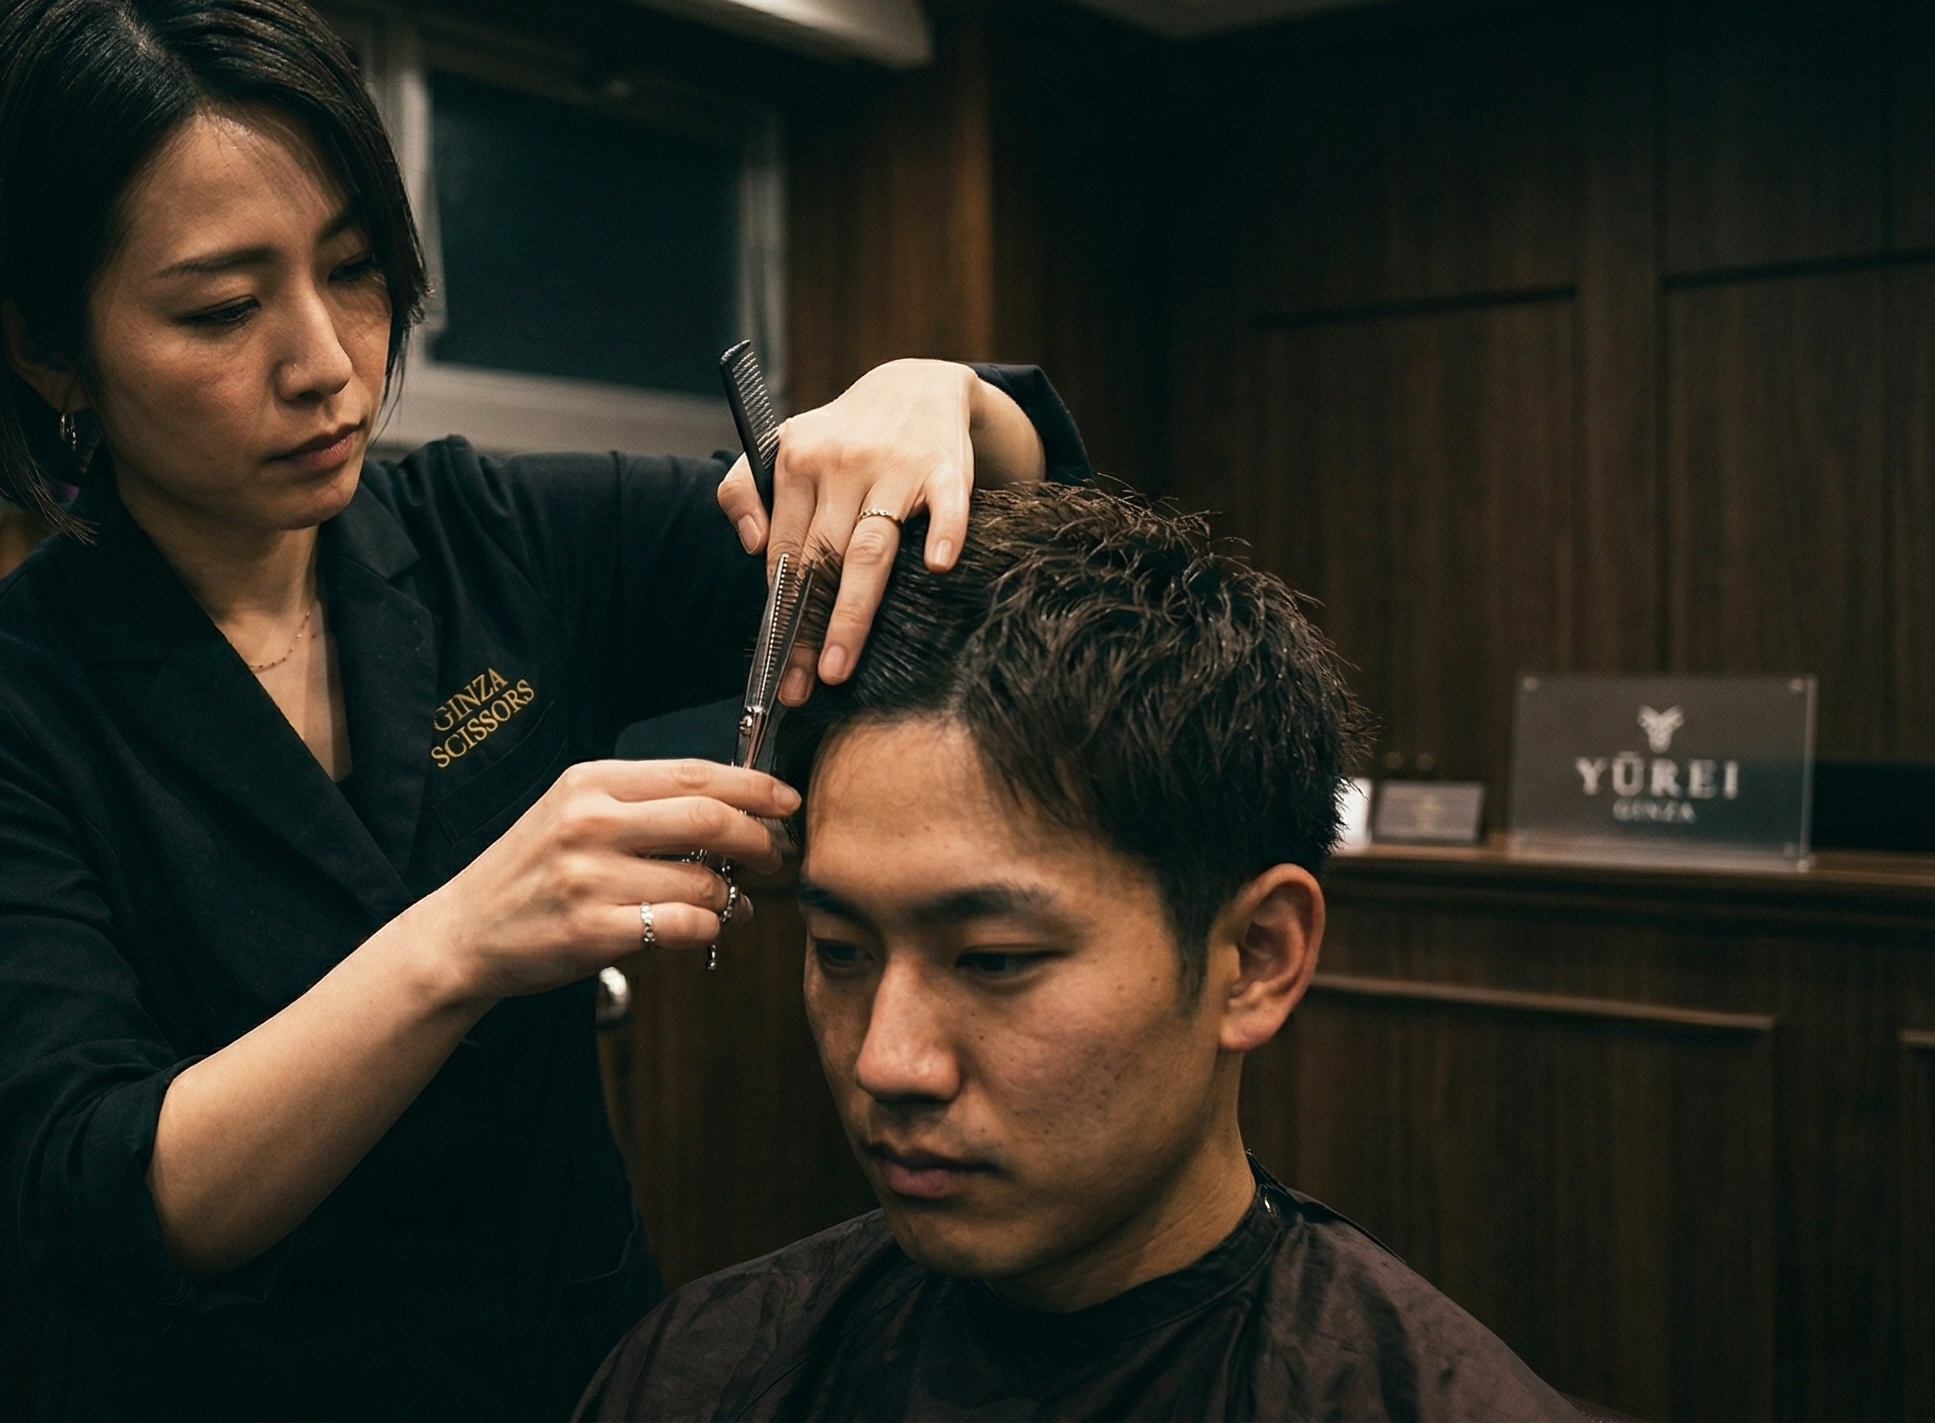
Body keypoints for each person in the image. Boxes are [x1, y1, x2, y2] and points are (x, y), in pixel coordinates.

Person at [0, 0, 1093, 1421]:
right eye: (218, 308)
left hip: (567, 1371)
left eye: (351, 269)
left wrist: (946, 406)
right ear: (50, 346)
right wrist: (463, 938)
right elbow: (98, 1196)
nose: (325, 361)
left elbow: (985, 563)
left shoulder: (498, 537)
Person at [577, 487, 1577, 1422]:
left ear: (1255, 959)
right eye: (841, 951)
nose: (887, 1064)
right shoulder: (703, 1374)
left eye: (994, 961)